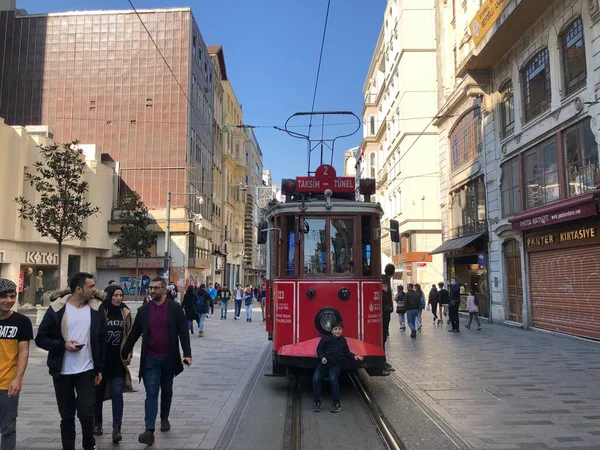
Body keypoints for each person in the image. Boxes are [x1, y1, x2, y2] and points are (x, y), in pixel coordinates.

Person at [35, 272, 107, 450]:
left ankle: (89, 444)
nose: (94, 289)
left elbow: (103, 340)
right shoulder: (57, 309)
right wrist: (63, 344)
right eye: (91, 286)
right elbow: (41, 338)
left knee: (86, 412)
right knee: (67, 416)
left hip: (87, 370)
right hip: (62, 371)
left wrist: (99, 368)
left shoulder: (97, 309)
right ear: (78, 289)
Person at [121, 277, 192, 445]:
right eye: (151, 288)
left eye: (156, 288)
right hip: (150, 358)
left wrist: (187, 354)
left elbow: (183, 332)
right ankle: (149, 430)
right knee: (151, 392)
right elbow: (135, 332)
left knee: (166, 389)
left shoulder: (175, 308)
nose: (152, 291)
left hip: (169, 357)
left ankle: (164, 417)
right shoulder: (144, 310)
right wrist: (125, 351)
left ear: (165, 289)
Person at [94, 285, 133, 444]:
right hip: (100, 362)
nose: (118, 298)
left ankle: (117, 428)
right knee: (97, 395)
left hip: (118, 362)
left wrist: (128, 352)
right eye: (115, 295)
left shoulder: (125, 312)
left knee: (117, 394)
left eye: (121, 295)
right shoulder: (99, 311)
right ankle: (98, 423)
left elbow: (129, 334)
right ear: (109, 296)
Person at [0, 278, 33, 450]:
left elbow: (24, 352)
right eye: (4, 297)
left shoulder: (21, 321)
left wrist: (18, 379)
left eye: (12, 296)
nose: (9, 300)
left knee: (7, 429)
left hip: (7, 385)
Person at [312, 323, 363, 413]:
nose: (338, 331)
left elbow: (346, 352)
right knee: (316, 378)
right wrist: (322, 357)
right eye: (335, 329)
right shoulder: (325, 339)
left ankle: (336, 402)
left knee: (332, 378)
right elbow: (319, 349)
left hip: (335, 365)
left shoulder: (343, 340)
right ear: (332, 331)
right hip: (324, 364)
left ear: (342, 330)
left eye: (339, 329)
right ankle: (317, 402)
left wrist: (355, 356)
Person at [381, 263, 395, 372]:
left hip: (385, 310)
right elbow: (385, 296)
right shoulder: (385, 281)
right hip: (385, 311)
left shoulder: (384, 279)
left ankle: (383, 361)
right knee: (383, 336)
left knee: (383, 337)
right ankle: (382, 361)